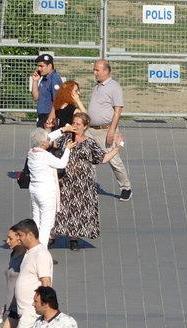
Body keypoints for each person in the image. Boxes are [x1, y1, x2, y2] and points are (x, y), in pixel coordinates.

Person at [52, 112, 123, 251]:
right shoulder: (64, 138)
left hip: (84, 183)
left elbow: (103, 158)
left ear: (85, 127)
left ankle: (74, 238)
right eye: (73, 123)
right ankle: (52, 236)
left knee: (79, 209)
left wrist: (117, 148)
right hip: (64, 180)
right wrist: (60, 130)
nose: (75, 126)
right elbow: (49, 143)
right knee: (60, 209)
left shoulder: (90, 142)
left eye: (78, 124)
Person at [87, 59, 132, 201]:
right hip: (90, 130)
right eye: (94, 70)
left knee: (113, 160)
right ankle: (86, 184)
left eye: (97, 70)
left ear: (106, 71)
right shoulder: (97, 86)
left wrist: (112, 130)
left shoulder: (114, 87)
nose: (95, 73)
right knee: (87, 157)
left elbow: (118, 110)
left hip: (105, 130)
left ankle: (126, 188)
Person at [28, 128, 74, 247]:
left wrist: (63, 130)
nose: (50, 140)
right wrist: (68, 149)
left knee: (36, 220)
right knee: (46, 225)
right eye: (47, 140)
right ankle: (41, 253)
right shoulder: (45, 156)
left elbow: (47, 137)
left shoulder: (31, 152)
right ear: (43, 143)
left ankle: (32, 248)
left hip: (34, 190)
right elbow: (61, 164)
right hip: (46, 192)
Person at [13, 219, 53, 328]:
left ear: (30, 234)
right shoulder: (30, 252)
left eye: (20, 235)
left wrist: (43, 308)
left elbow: (46, 282)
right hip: (26, 313)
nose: (18, 238)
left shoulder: (41, 254)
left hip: (32, 314)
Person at [3, 225, 26, 328]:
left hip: (18, 307)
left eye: (10, 238)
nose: (7, 241)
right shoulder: (13, 253)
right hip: (10, 307)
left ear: (19, 238)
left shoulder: (26, 258)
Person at [31, 54, 62, 128]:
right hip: (42, 116)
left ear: (50, 66)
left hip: (49, 116)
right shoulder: (44, 78)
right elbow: (36, 97)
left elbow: (57, 99)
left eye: (41, 66)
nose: (39, 68)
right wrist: (35, 81)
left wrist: (51, 118)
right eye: (38, 66)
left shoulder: (54, 79)